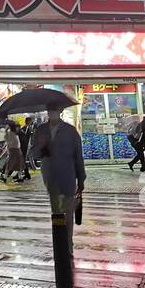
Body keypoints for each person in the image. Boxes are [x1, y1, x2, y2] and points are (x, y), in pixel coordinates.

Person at [30, 107, 85, 250]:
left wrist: (81, 178)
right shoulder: (41, 130)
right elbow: (33, 153)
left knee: (68, 211)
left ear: (59, 112)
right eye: (49, 111)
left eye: (54, 111)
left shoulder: (70, 130)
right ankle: (60, 241)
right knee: (56, 212)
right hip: (50, 175)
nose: (51, 114)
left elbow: (78, 155)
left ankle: (68, 241)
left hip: (68, 174)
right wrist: (40, 146)